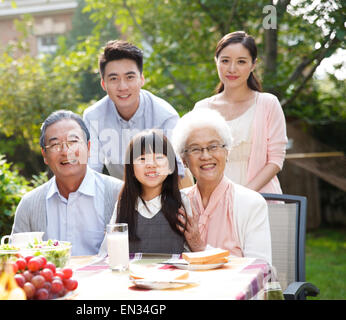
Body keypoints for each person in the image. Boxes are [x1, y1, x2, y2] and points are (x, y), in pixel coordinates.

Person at [11, 110, 123, 256]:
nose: (65, 151)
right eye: (55, 144)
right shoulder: (30, 204)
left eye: (73, 142)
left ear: (89, 148)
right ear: (44, 155)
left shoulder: (119, 194)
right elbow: (17, 260)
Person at [83, 40, 192, 187]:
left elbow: (177, 171)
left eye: (130, 77)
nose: (123, 87)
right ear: (103, 84)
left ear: (141, 79)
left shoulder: (165, 116)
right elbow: (91, 171)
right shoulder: (93, 116)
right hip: (121, 192)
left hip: (164, 189)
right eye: (114, 79)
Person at [173, 107, 272, 264]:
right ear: (184, 159)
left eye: (213, 146)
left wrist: (200, 249)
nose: (206, 156)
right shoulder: (177, 202)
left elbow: (260, 268)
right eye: (195, 149)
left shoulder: (251, 203)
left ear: (227, 152)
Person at [193, 31, 287, 194]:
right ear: (216, 62)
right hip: (215, 200)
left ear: (253, 65)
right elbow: (192, 157)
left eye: (241, 61)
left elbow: (276, 160)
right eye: (225, 61)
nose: (232, 69)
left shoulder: (267, 103)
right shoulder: (202, 109)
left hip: (263, 200)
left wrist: (244, 196)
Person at [100, 129, 193, 254]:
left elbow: (191, 252)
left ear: (171, 166)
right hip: (132, 273)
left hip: (174, 273)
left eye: (159, 157)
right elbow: (107, 252)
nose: (151, 164)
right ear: (131, 168)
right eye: (142, 159)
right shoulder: (123, 204)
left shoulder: (183, 202)